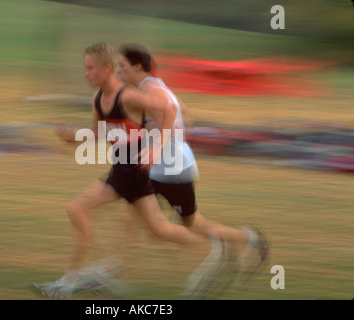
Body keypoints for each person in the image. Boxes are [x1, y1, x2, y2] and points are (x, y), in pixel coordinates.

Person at [33, 42, 226, 299]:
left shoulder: (128, 96)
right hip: (121, 173)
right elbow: (99, 131)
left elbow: (168, 110)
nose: (86, 74)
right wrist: (72, 138)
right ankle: (216, 250)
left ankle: (70, 282)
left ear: (105, 68)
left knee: (79, 209)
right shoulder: (98, 99)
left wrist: (156, 147)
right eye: (85, 69)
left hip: (135, 174)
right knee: (159, 229)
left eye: (90, 68)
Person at [115, 43, 270, 297]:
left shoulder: (152, 89)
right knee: (144, 219)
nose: (119, 71)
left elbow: (173, 110)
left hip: (171, 169)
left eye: (122, 66)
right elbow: (181, 110)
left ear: (137, 66)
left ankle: (237, 246)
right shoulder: (152, 86)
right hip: (164, 165)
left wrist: (158, 146)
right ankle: (115, 272)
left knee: (189, 226)